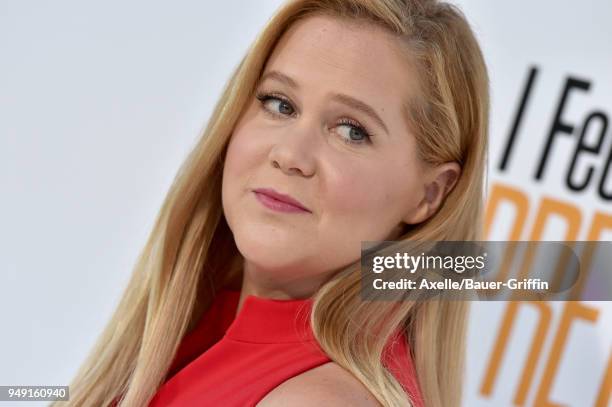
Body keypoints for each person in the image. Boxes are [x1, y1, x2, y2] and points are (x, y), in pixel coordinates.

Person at [59, 0, 489, 406]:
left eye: (351, 131)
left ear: (428, 195)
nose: (290, 155)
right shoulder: (195, 319)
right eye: (279, 104)